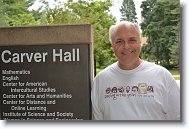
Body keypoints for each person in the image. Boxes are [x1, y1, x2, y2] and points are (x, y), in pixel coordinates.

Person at [91, 21, 180, 120]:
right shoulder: (101, 80)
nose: (126, 46)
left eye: (132, 40)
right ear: (112, 45)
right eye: (119, 41)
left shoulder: (162, 76)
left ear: (140, 42)